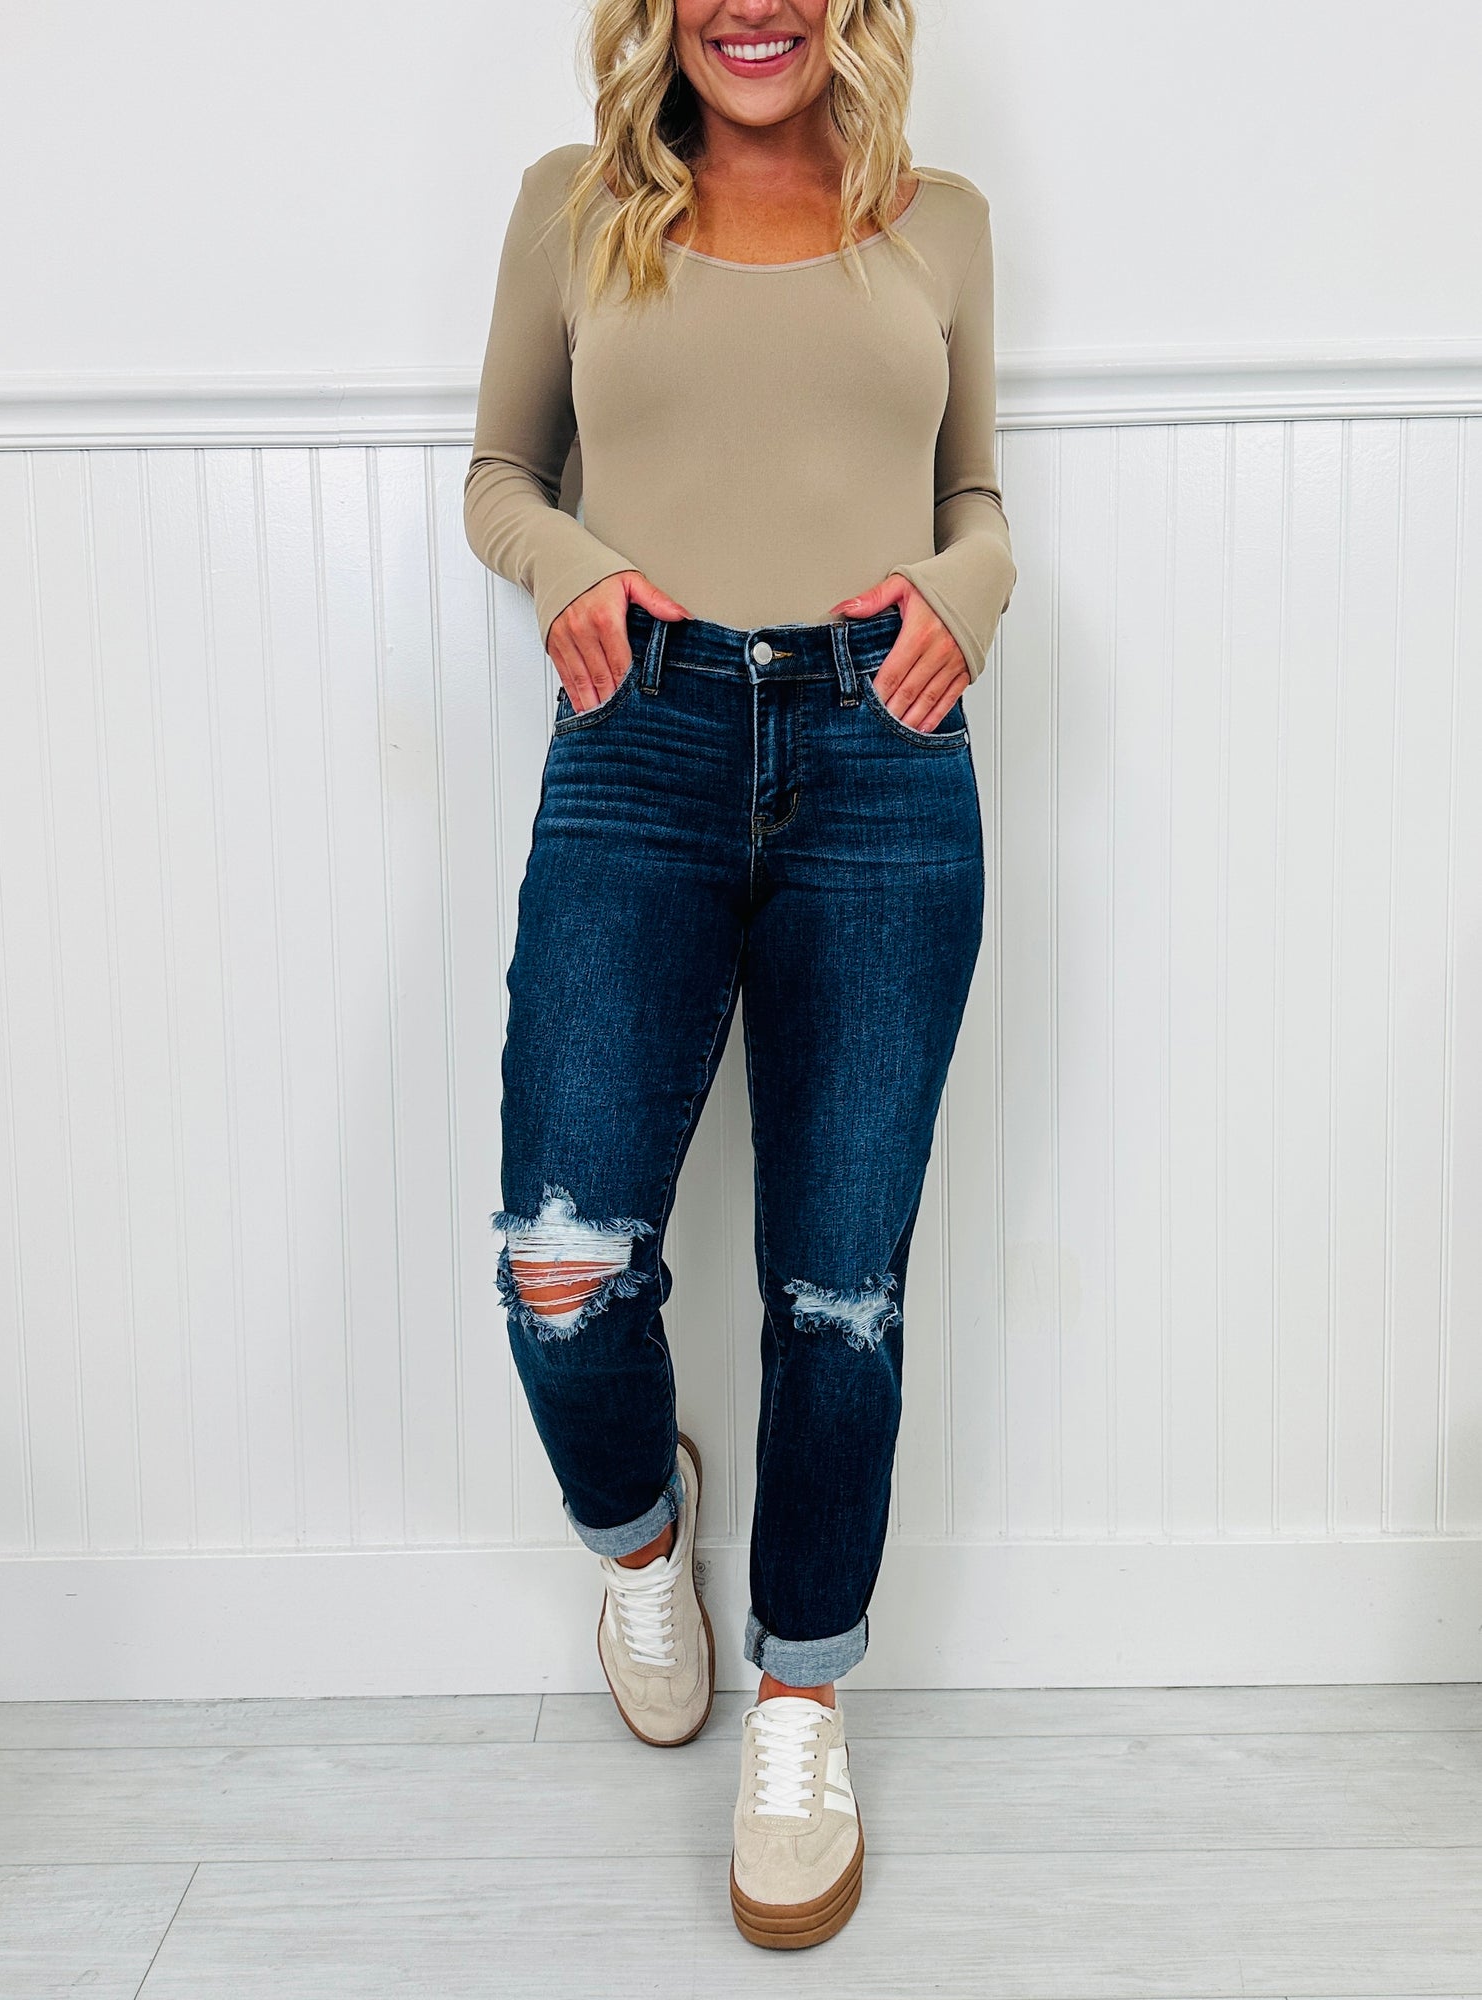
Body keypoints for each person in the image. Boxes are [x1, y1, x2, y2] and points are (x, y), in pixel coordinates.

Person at [464, 0, 1015, 1951]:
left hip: (885, 754)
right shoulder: (573, 202)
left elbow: (975, 505)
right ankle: (643, 1540)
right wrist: (568, 570)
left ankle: (801, 1699)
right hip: (641, 741)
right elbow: (500, 474)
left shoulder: (937, 219)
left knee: (840, 1292)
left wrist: (964, 594)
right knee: (563, 1260)